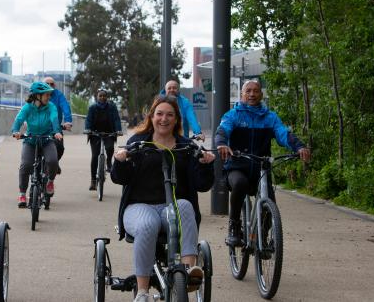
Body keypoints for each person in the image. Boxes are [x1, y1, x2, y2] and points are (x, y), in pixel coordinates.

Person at [111, 95, 216, 302]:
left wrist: (205, 164)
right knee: (148, 224)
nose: (164, 119)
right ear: (151, 117)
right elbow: (119, 178)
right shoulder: (137, 143)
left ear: (176, 119)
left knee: (185, 205)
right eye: (159, 114)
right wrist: (120, 161)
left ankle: (187, 272)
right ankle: (142, 292)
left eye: (170, 115)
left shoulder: (187, 147)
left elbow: (202, 185)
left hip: (172, 207)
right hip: (140, 206)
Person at [215, 80, 311, 247]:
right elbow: (222, 130)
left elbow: (283, 134)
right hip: (238, 166)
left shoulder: (270, 117)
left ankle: (262, 237)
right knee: (239, 184)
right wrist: (222, 143)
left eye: (255, 91)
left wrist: (299, 146)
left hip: (261, 169)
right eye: (248, 91)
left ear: (261, 94)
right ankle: (234, 226)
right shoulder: (233, 115)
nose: (252, 94)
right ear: (242, 94)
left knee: (270, 205)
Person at [11, 81, 62, 208]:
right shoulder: (28, 107)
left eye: (49, 95)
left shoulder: (51, 106)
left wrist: (56, 131)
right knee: (25, 165)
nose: (49, 97)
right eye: (46, 95)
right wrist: (16, 131)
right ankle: (22, 194)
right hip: (31, 140)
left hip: (47, 139)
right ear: (38, 96)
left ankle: (50, 182)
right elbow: (19, 119)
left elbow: (54, 118)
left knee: (52, 161)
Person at [84, 89, 122, 191]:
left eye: (104, 96)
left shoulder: (112, 107)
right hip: (95, 133)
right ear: (97, 97)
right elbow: (88, 119)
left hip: (109, 132)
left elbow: (116, 119)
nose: (102, 98)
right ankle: (93, 181)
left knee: (110, 148)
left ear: (107, 97)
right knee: (95, 156)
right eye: (100, 96)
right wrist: (87, 129)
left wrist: (118, 130)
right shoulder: (92, 108)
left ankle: (109, 161)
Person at [43, 76, 72, 173]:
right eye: (47, 84)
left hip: (56, 128)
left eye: (52, 84)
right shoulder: (37, 94)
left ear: (54, 85)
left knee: (60, 147)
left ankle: (54, 163)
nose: (49, 86)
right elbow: (29, 107)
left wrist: (68, 121)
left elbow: (65, 107)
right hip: (40, 127)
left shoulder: (59, 95)